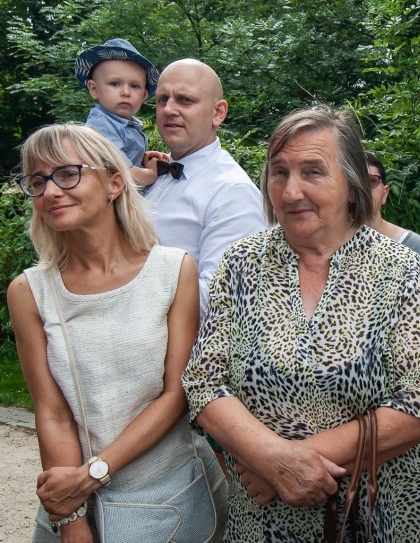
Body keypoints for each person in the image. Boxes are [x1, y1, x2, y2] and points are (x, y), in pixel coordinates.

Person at [182, 105, 420, 542]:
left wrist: (287, 463)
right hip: (263, 521)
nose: (290, 191)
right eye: (278, 172)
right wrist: (272, 458)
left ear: (352, 186)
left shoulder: (398, 267)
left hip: (376, 514)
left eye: (313, 172)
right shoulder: (241, 263)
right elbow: (204, 382)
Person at [7, 124, 227, 542]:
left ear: (113, 182)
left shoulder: (173, 270)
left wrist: (94, 473)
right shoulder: (29, 291)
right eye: (37, 181)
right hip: (72, 500)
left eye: (68, 173)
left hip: (169, 499)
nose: (50, 191)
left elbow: (177, 393)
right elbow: (51, 412)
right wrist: (71, 522)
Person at [143, 59, 268, 315]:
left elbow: (221, 301)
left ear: (218, 112)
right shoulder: (153, 174)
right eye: (162, 99)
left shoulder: (232, 193)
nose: (169, 109)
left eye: (185, 100)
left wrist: (122, 291)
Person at [74, 38, 160, 189]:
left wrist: (142, 158)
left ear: (144, 95)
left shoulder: (126, 124)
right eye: (115, 84)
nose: (126, 92)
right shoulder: (101, 125)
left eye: (134, 86)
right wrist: (152, 173)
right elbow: (122, 172)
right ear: (94, 89)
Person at [364, 150, 420, 266]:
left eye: (371, 181)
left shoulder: (414, 246)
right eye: (355, 182)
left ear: (385, 194)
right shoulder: (329, 246)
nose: (362, 189)